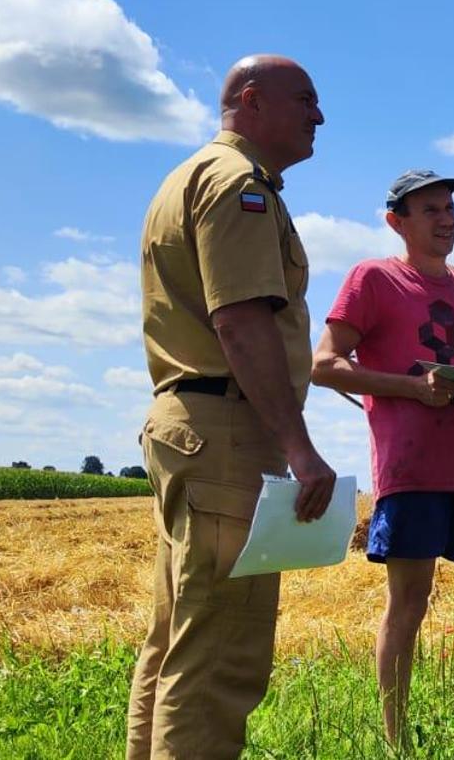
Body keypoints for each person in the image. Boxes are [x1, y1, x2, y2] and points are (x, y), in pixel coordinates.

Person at [127, 54, 334, 760]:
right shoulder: (238, 184)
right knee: (219, 657)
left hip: (188, 425)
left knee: (176, 641)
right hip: (227, 433)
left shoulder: (189, 177)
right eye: (304, 99)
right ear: (251, 101)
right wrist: (299, 448)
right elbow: (241, 321)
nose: (318, 116)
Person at [310, 170, 454, 750]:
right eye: (430, 210)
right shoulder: (373, 279)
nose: (446, 220)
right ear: (396, 222)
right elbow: (324, 364)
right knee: (410, 600)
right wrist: (412, 389)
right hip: (410, 471)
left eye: (450, 209)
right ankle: (397, 740)